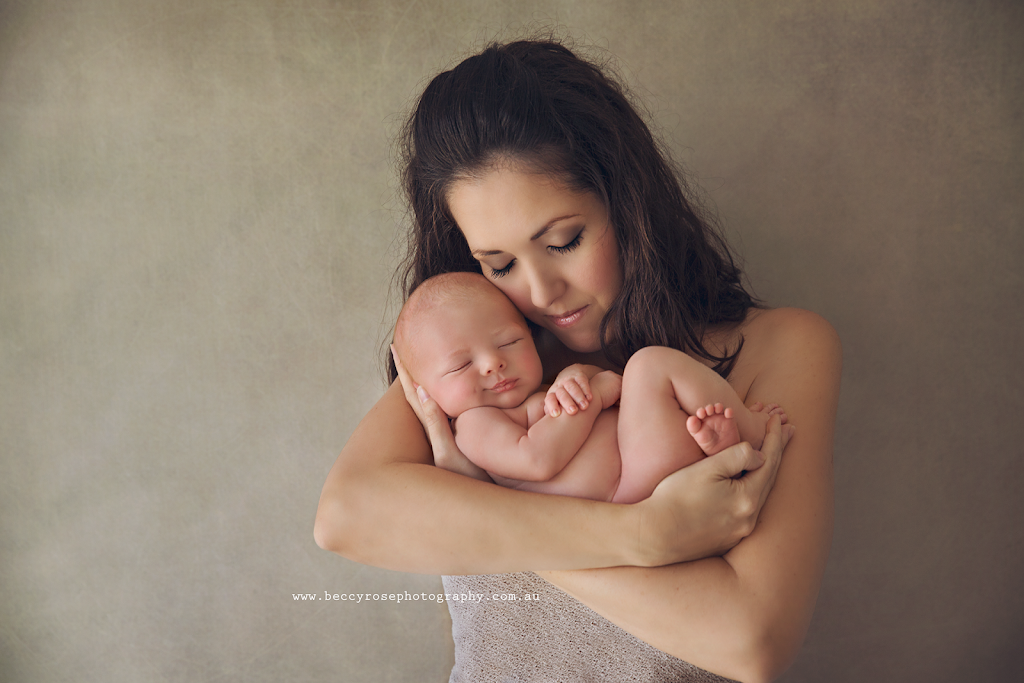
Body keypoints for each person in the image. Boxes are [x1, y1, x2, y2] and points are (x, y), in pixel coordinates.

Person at [315, 38, 840, 683]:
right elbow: (346, 517)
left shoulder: (781, 346)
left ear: (627, 203)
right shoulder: (481, 363)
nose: (538, 295)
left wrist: (479, 507)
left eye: (563, 241)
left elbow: (750, 643)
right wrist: (643, 536)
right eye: (498, 265)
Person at [392, 271, 788, 504]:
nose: (492, 363)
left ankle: (735, 437)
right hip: (626, 490)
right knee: (651, 364)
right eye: (462, 364)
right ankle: (752, 438)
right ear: (425, 390)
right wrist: (590, 398)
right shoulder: (475, 426)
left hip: (644, 462)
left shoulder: (543, 390)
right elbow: (537, 460)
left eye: (508, 343)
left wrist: (574, 378)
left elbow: (615, 385)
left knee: (648, 363)